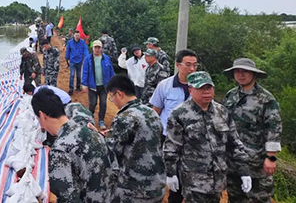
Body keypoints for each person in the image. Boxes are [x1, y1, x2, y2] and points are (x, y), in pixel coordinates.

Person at [164, 71, 252, 202]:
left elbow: (234, 142)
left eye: (209, 88)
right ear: (191, 90)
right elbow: (171, 147)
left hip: (218, 179)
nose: (206, 92)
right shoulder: (179, 114)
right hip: (194, 182)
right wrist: (171, 173)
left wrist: (244, 170)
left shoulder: (222, 112)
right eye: (201, 88)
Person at [31, 88, 115, 202]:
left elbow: (68, 198)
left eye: (38, 119)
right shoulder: (91, 131)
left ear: (42, 115)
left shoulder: (60, 149)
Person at [98, 74, 166, 203]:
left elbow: (111, 149)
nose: (113, 102)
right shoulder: (151, 112)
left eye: (111, 98)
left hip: (135, 189)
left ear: (119, 94)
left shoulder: (125, 117)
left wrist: (98, 136)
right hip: (157, 183)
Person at [222, 58, 282, 202]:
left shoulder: (266, 99)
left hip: (256, 162)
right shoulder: (231, 96)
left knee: (259, 198)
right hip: (233, 160)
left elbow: (274, 128)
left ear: (254, 74)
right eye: (237, 71)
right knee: (235, 197)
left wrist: (271, 157)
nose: (241, 75)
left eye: (245, 71)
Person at [149, 49, 198, 203]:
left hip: (192, 141)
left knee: (187, 179)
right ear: (178, 65)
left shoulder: (200, 87)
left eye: (195, 65)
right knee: (166, 176)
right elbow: (155, 111)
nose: (192, 69)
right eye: (188, 65)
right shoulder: (165, 85)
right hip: (168, 139)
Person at [81, 40, 115, 130]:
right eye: (95, 47)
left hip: (104, 86)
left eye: (98, 47)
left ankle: (101, 120)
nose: (97, 49)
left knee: (103, 103)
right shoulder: (88, 59)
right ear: (92, 48)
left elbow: (111, 71)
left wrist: (113, 83)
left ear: (101, 48)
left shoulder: (106, 58)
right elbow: (85, 72)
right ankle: (90, 119)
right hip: (92, 86)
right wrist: (84, 84)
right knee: (93, 103)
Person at [65, 30, 88, 95]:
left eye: (78, 35)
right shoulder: (70, 42)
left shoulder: (82, 42)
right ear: (74, 35)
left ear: (79, 36)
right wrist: (67, 58)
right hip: (72, 60)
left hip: (80, 60)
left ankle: (78, 87)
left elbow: (85, 50)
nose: (77, 37)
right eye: (76, 35)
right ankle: (71, 89)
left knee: (78, 74)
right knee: (72, 75)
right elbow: (68, 51)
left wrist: (87, 57)